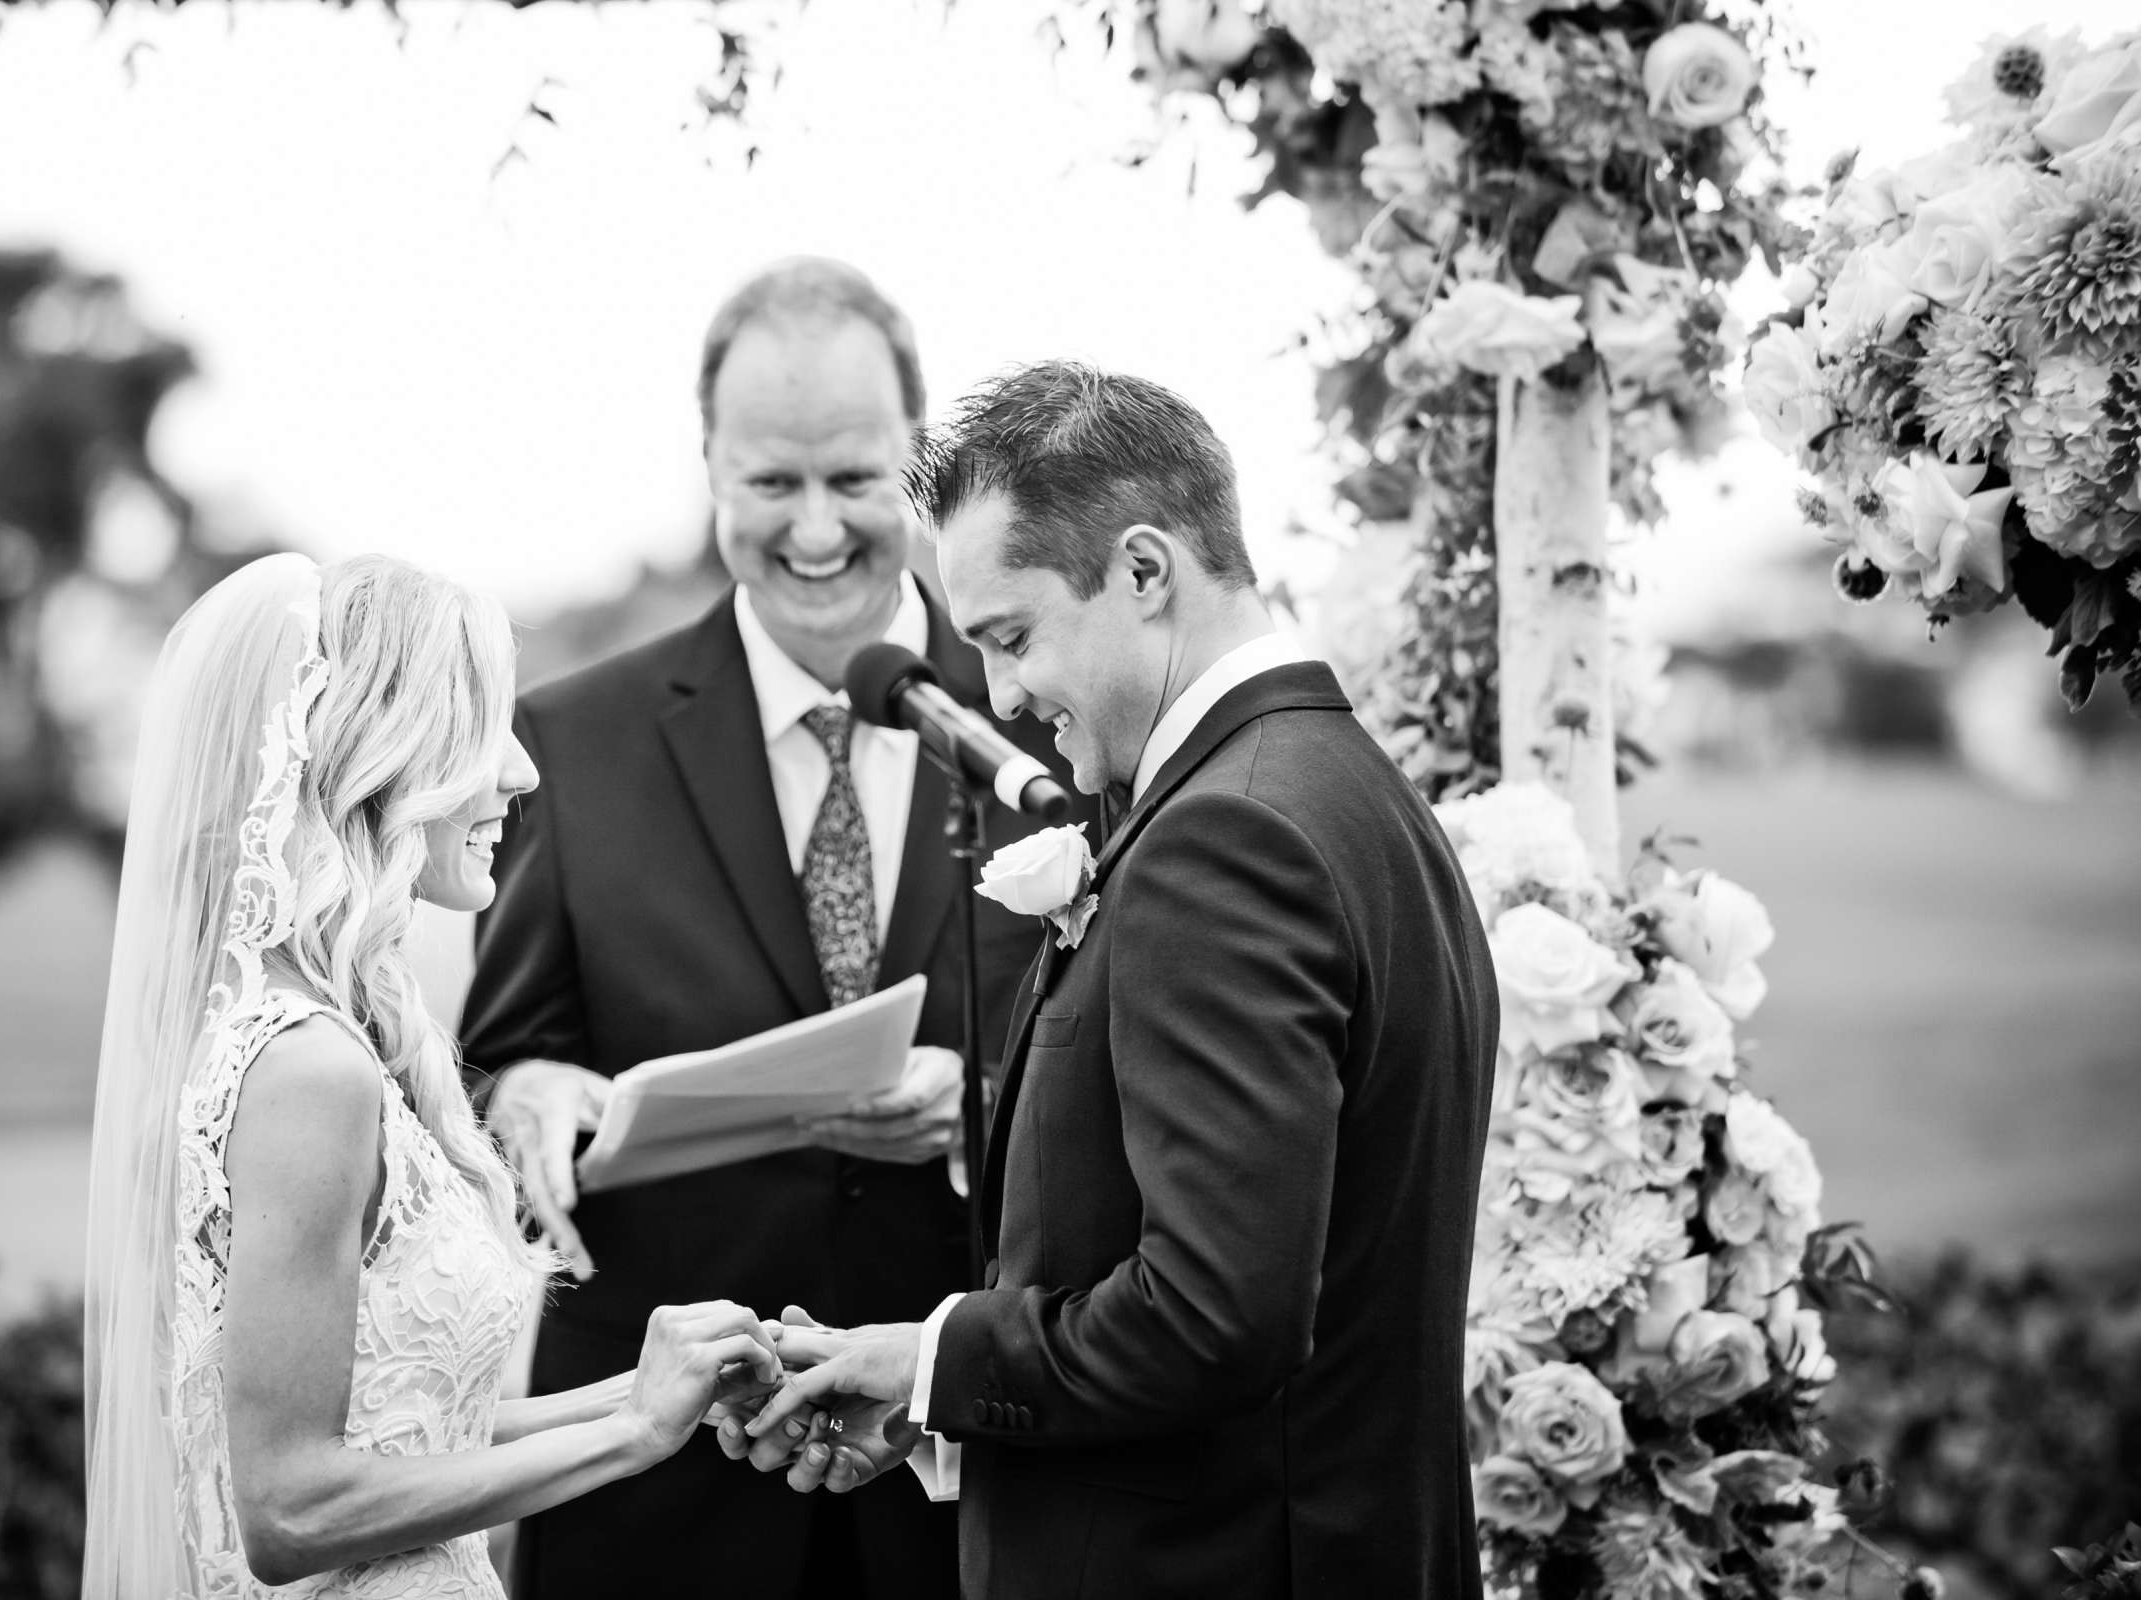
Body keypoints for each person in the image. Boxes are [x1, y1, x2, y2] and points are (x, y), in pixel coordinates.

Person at [736, 363, 1501, 1599]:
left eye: (1012, 634)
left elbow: (1212, 1316)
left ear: (1146, 572)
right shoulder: (1349, 793)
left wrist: (936, 1359)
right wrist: (938, 1402)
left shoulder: (1225, 839)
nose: (999, 697)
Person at [456, 259, 1095, 1600]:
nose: (815, 530)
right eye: (770, 483)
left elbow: (1143, 1068)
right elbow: (497, 1053)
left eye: (855, 480)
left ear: (917, 464)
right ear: (710, 468)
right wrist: (527, 1093)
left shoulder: (1054, 724)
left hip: (974, 1479)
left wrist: (975, 1109)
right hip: (659, 1495)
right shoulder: (570, 743)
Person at [82, 552, 784, 1599]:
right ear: (379, 750)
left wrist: (642, 1393)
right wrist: (632, 1433)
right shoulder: (308, 1071)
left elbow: (398, 1419)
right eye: (478, 726)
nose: (522, 771)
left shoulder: (314, 1035)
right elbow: (287, 1506)